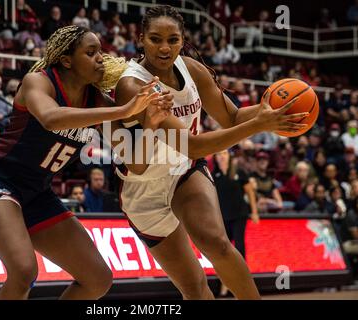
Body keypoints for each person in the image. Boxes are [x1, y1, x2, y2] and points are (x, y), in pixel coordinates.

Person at [113, 5, 307, 300]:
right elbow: (192, 143)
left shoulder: (192, 69)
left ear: (183, 39)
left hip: (184, 171)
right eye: (155, 39)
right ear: (140, 39)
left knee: (216, 243)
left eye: (173, 39)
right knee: (193, 287)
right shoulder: (133, 85)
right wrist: (260, 124)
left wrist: (274, 109)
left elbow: (231, 118)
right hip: (143, 189)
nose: (165, 48)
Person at [0, 25, 168, 300]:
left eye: (101, 52)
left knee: (98, 279)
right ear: (67, 60)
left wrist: (152, 124)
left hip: (38, 192)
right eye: (91, 52)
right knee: (23, 271)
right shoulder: (39, 81)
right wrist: (123, 110)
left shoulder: (95, 101)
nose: (100, 59)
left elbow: (135, 161)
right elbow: (50, 117)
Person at [212, 149, 258, 296]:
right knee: (223, 250)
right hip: (222, 217)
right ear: (216, 157)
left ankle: (242, 282)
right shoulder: (213, 176)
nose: (222, 156)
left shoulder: (238, 172)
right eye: (219, 154)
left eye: (224, 153)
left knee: (239, 247)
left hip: (239, 214)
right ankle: (225, 284)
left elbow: (250, 191)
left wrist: (254, 211)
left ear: (229, 156)